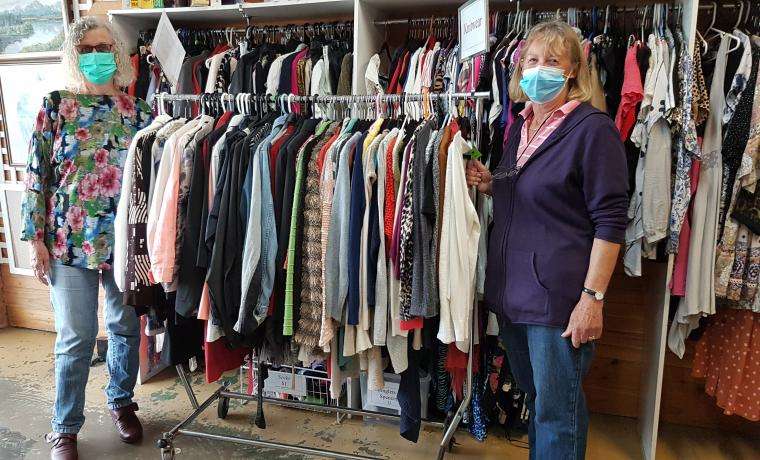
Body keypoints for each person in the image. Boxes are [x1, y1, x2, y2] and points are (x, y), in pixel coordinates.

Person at [467, 21, 628, 459]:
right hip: (512, 293)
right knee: (537, 403)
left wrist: (592, 298)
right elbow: (527, 187)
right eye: (532, 60)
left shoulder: (593, 129)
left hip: (558, 301)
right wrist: (491, 183)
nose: (540, 70)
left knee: (558, 413)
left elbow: (611, 220)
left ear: (573, 69)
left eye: (553, 61)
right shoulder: (522, 125)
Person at [20, 17, 152, 460]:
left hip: (123, 243)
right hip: (67, 242)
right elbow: (36, 176)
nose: (98, 55)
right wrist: (34, 238)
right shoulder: (57, 106)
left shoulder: (139, 113)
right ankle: (65, 427)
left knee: (124, 328)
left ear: (117, 54)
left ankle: (121, 401)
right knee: (75, 337)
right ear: (76, 57)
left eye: (104, 47)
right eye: (88, 49)